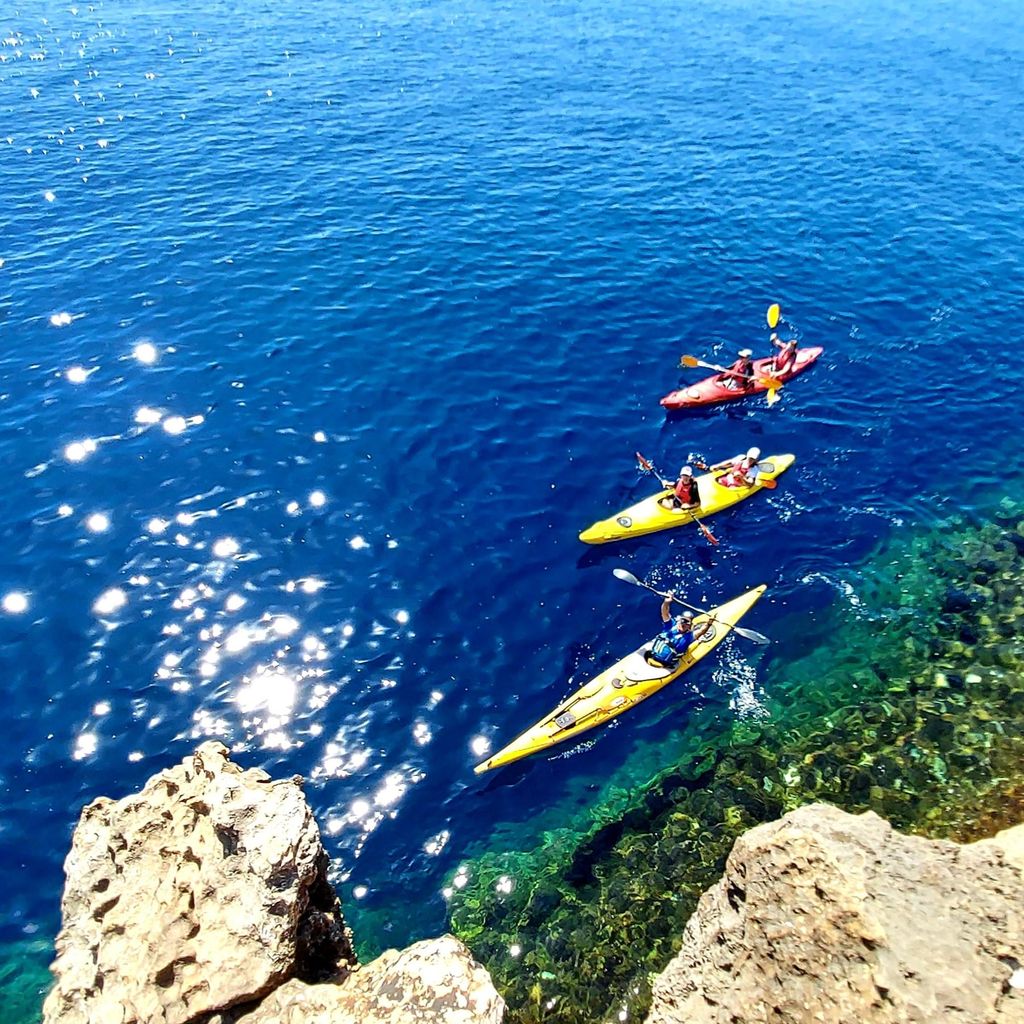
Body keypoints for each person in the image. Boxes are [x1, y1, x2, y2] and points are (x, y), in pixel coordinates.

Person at [648, 594, 712, 667]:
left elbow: (701, 631)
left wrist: (709, 623)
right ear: (679, 620)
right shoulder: (670, 625)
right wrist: (666, 602)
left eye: (687, 623)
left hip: (666, 664)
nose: (683, 624)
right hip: (652, 656)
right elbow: (664, 612)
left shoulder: (689, 637)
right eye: (683, 621)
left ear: (690, 625)